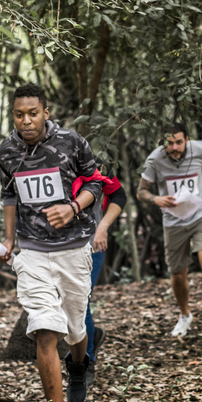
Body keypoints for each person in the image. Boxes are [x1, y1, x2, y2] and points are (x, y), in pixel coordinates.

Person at [0, 84, 104, 402]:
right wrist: (10, 241)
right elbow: (9, 195)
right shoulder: (7, 150)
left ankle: (79, 364)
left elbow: (96, 185)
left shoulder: (72, 142)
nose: (26, 121)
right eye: (19, 114)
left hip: (73, 247)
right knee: (44, 328)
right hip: (33, 251)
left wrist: (72, 207)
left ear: (46, 111)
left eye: (32, 113)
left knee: (75, 328)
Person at [137, 122, 202, 337]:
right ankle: (185, 315)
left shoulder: (200, 149)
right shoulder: (155, 159)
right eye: (170, 143)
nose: (174, 147)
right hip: (174, 222)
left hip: (201, 214)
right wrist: (156, 199)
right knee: (177, 273)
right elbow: (141, 191)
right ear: (163, 143)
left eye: (179, 142)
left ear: (187, 140)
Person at [72, 159, 127, 388]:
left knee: (80, 302)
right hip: (57, 246)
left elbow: (118, 196)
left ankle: (87, 361)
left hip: (90, 243)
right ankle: (90, 337)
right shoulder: (47, 163)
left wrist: (103, 226)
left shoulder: (95, 164)